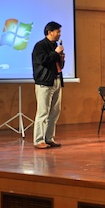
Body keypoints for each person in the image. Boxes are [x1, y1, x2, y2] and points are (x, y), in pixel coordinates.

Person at [31, 21, 64, 149]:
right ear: (50, 32)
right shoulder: (40, 45)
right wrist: (56, 53)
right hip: (44, 83)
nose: (59, 34)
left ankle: (49, 138)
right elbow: (43, 60)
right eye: (58, 31)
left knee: (55, 112)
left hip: (56, 80)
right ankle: (39, 140)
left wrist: (61, 59)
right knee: (43, 112)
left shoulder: (55, 45)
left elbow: (57, 65)